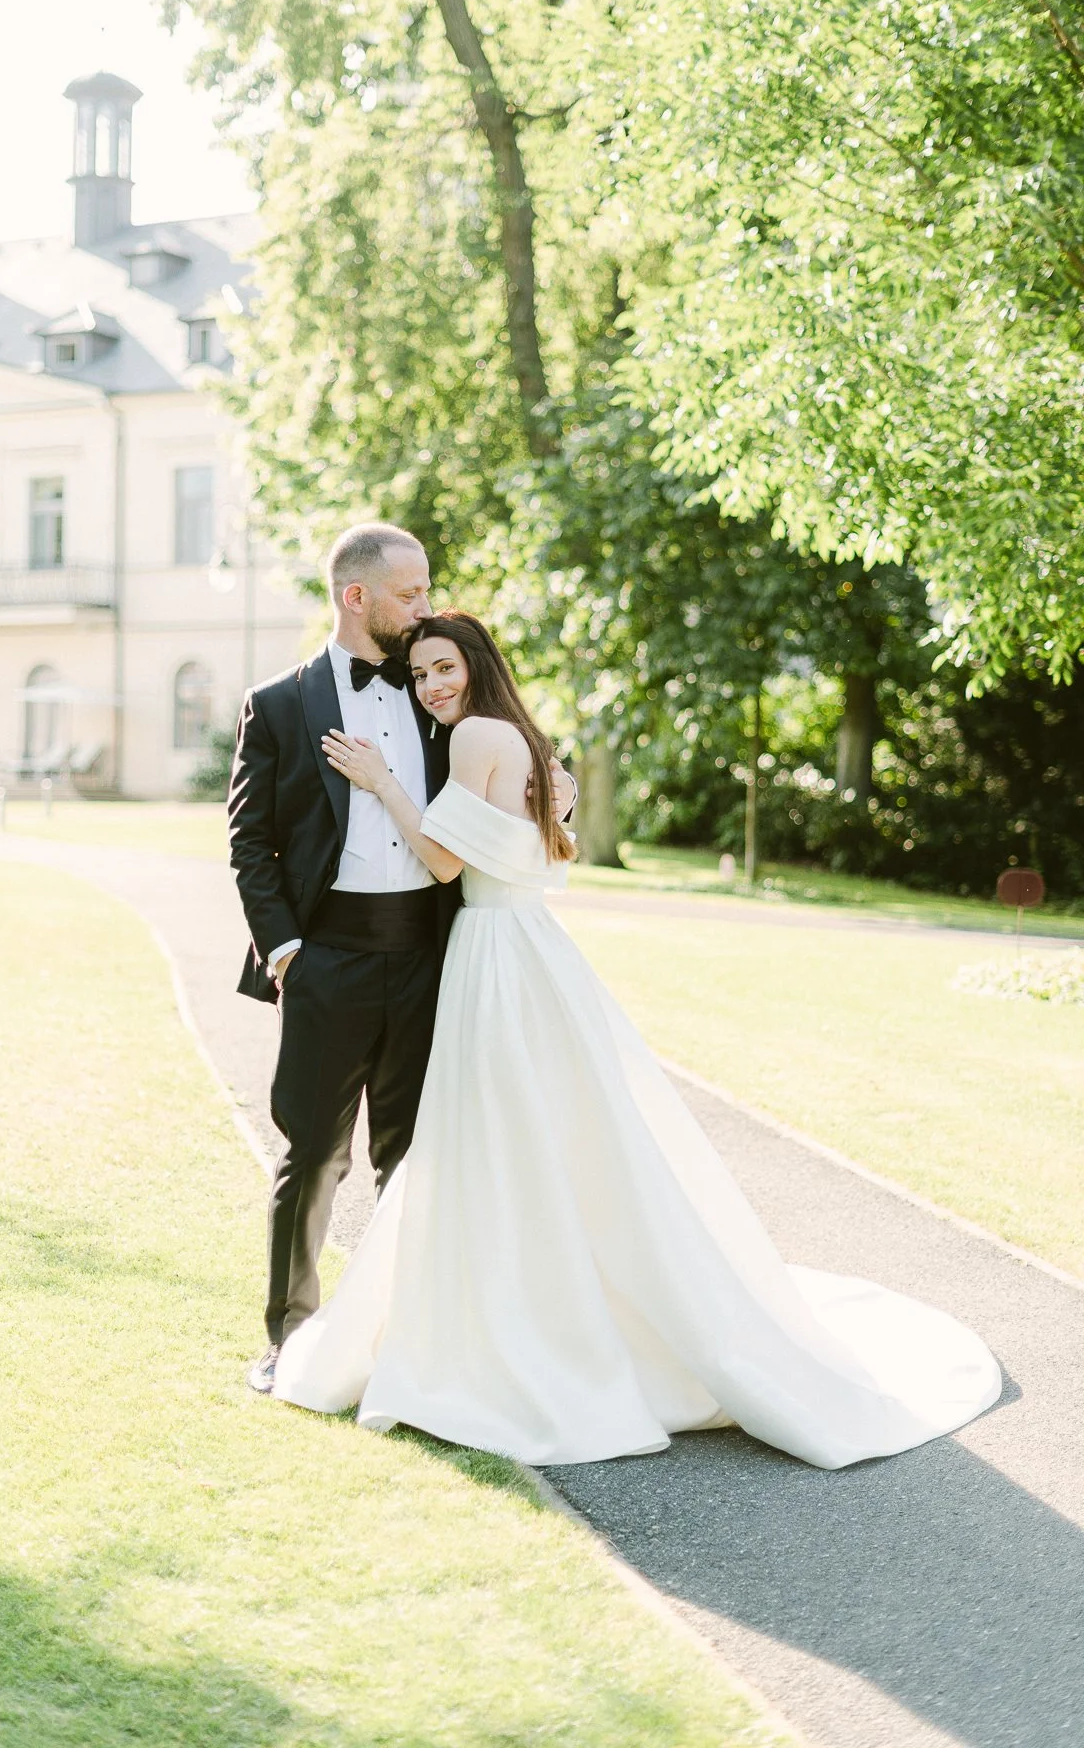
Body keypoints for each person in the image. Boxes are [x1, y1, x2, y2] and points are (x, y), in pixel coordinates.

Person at [273, 612, 1002, 1469]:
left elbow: (441, 862)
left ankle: (514, 1326)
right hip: (531, 949)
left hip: (498, 958)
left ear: (476, 666)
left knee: (495, 1136)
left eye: (445, 668)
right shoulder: (531, 744)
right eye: (422, 673)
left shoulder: (471, 737)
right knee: (549, 1135)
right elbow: (551, 847)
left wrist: (380, 782)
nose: (432, 686)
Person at [227, 528, 574, 1396]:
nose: (425, 607)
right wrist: (288, 952)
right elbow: (250, 842)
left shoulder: (432, 690)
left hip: (431, 954)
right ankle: (291, 1340)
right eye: (411, 593)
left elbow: (510, 747)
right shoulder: (277, 704)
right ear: (358, 597)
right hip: (325, 959)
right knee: (313, 1156)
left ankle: (413, 1342)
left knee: (417, 1154)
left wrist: (558, 784)